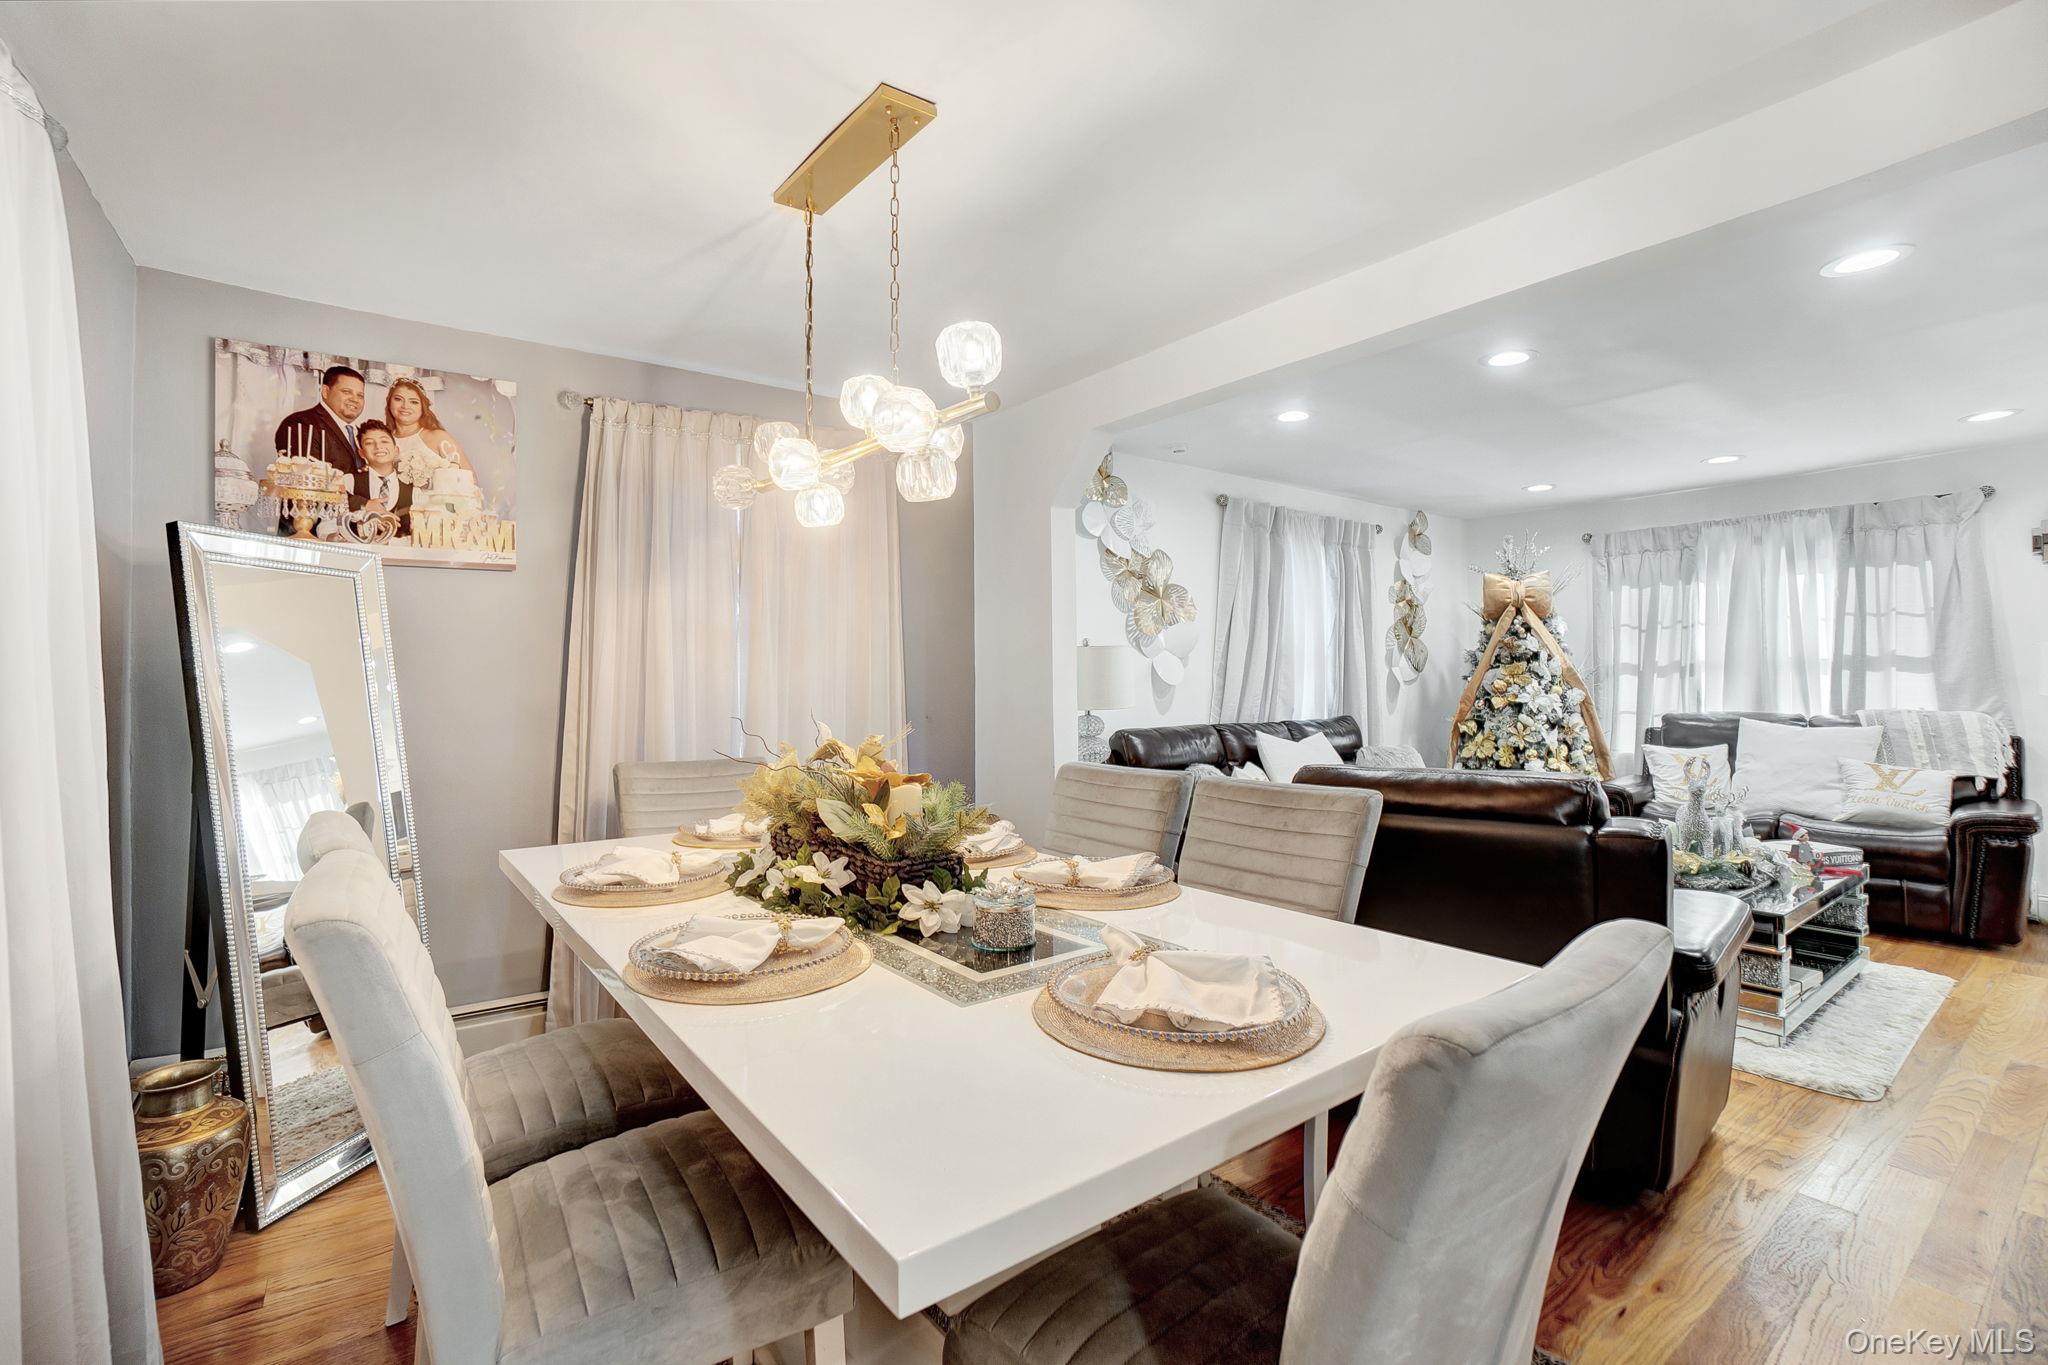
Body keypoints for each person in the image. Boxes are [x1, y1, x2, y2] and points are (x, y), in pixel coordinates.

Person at [274, 364, 365, 475]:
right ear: (325, 392)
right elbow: (305, 477)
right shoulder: (301, 424)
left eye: (360, 395)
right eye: (346, 392)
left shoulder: (361, 433)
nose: (355, 399)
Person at [385, 377, 474, 475]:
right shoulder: (383, 439)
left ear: (423, 407)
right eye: (398, 399)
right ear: (389, 402)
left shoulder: (438, 437)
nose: (405, 406)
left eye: (414, 402)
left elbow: (470, 478)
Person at [349, 420, 412, 538]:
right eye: (369, 443)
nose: (378, 447)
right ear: (361, 453)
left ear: (396, 450)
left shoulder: (412, 487)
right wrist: (365, 505)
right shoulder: (350, 481)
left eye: (384, 441)